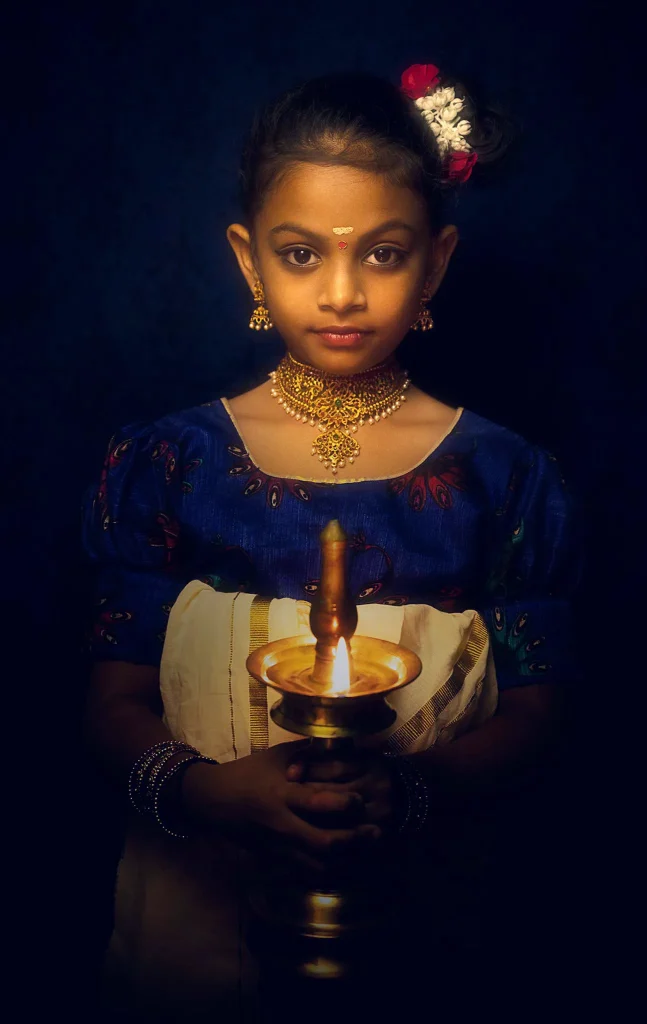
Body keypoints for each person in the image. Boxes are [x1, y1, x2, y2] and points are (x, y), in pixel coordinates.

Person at [82, 64, 582, 1021]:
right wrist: (207, 797)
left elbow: (542, 719)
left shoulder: (506, 478)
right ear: (248, 260)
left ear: (436, 263)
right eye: (303, 254)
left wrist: (409, 797)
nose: (343, 293)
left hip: (435, 927)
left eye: (383, 255)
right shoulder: (169, 464)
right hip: (198, 926)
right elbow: (109, 704)